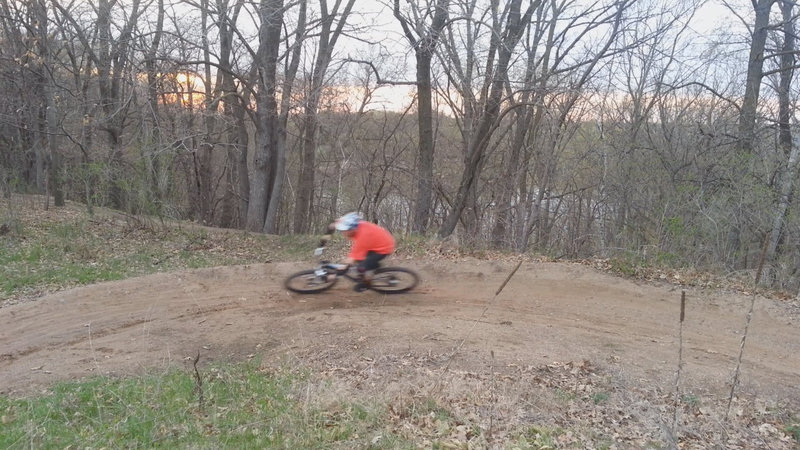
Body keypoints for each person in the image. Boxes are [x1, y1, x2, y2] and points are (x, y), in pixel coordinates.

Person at [315, 212, 395, 292]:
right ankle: (372, 266)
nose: (343, 233)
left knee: (361, 267)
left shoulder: (362, 238)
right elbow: (331, 226)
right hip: (378, 240)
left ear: (353, 229)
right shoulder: (349, 223)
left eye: (345, 230)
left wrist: (333, 275)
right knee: (358, 262)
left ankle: (366, 283)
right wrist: (321, 245)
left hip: (384, 247)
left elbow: (348, 264)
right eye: (342, 230)